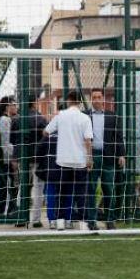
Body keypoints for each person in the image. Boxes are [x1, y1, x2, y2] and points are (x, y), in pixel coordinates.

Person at [43, 91, 93, 231]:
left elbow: (46, 132)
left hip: (63, 161)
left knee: (61, 192)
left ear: (68, 100)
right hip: (80, 161)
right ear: (79, 102)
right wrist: (89, 159)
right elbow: (88, 140)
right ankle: (83, 223)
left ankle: (60, 222)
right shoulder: (85, 118)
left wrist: (59, 131)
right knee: (81, 193)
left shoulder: (60, 116)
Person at [86, 89, 126, 230]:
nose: (96, 99)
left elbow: (118, 137)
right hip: (92, 157)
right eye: (94, 97)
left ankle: (110, 220)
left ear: (103, 99)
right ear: (91, 99)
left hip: (108, 157)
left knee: (109, 189)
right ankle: (92, 221)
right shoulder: (85, 116)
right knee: (91, 189)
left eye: (99, 97)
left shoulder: (112, 116)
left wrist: (121, 155)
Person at [21, 95, 48, 228]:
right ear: (34, 103)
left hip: (22, 157)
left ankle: (20, 216)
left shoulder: (19, 119)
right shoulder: (41, 119)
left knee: (22, 187)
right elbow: (47, 136)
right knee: (38, 188)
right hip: (38, 158)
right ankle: (36, 219)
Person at [0, 96, 18, 215]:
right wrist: (11, 159)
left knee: (7, 184)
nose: (16, 106)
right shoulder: (4, 120)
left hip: (3, 157)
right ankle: (2, 211)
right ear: (7, 106)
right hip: (3, 158)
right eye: (14, 104)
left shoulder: (7, 119)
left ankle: (10, 210)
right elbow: (5, 141)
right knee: (3, 184)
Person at [35, 133, 62, 229]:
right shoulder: (66, 135)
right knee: (64, 194)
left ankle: (52, 220)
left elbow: (38, 153)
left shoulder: (46, 137)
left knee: (50, 194)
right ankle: (65, 220)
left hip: (50, 169)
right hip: (64, 168)